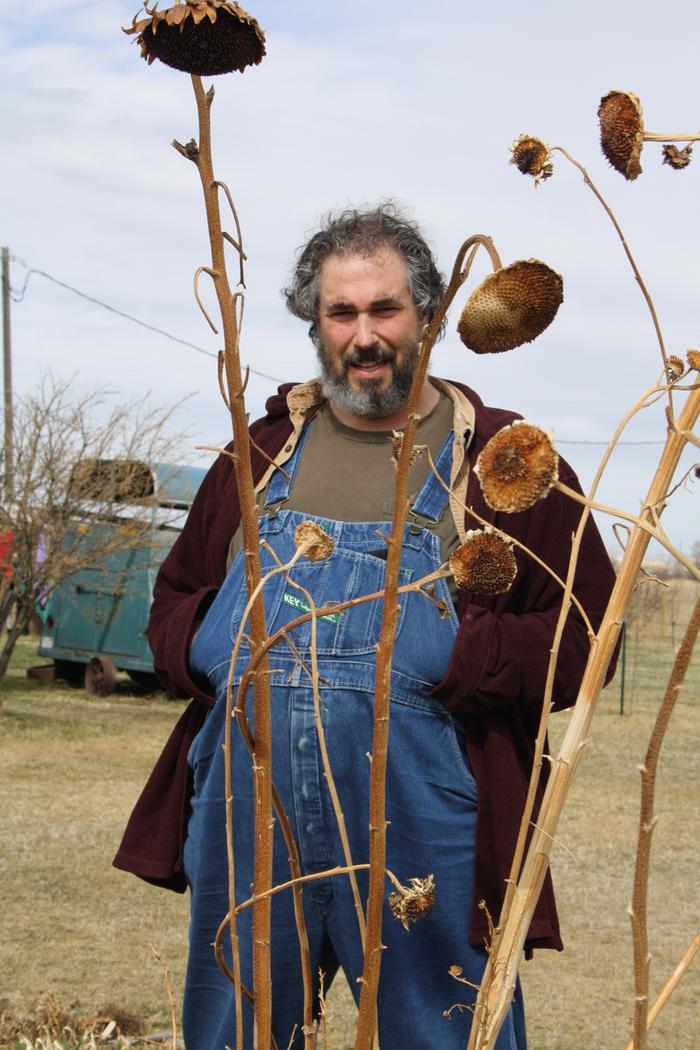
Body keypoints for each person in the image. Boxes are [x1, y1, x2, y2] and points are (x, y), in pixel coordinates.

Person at [114, 204, 617, 1049]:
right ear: (316, 322)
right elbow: (174, 603)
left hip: (427, 813)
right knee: (235, 1031)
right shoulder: (257, 453)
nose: (365, 335)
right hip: (248, 805)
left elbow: (588, 633)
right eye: (342, 313)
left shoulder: (505, 461)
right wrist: (211, 647)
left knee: (444, 1034)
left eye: (385, 309)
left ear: (425, 314)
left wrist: (454, 656)